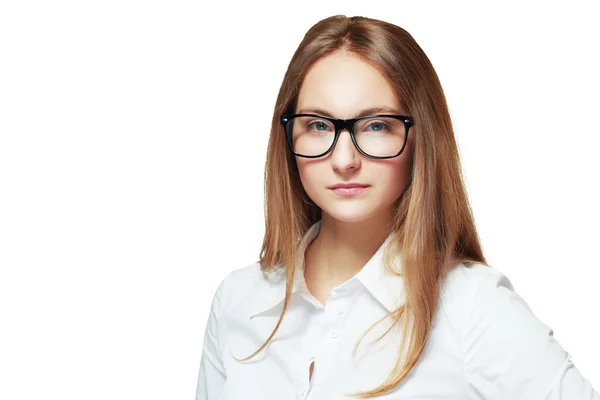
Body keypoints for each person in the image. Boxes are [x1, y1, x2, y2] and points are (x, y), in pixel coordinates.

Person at [195, 14, 599, 400]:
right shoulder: (238, 300)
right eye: (319, 125)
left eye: (376, 126)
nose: (344, 160)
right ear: (288, 136)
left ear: (421, 137)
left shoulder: (471, 306)